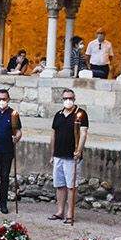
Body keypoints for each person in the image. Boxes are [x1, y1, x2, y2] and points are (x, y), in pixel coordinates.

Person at [49, 88, 88, 223]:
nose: (68, 100)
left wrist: (79, 150)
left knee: (71, 186)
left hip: (72, 156)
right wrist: (52, 153)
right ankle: (60, 211)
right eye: (65, 98)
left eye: (70, 98)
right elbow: (53, 134)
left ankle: (70, 213)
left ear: (74, 99)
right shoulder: (58, 115)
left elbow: (83, 133)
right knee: (60, 184)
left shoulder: (80, 114)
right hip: (59, 155)